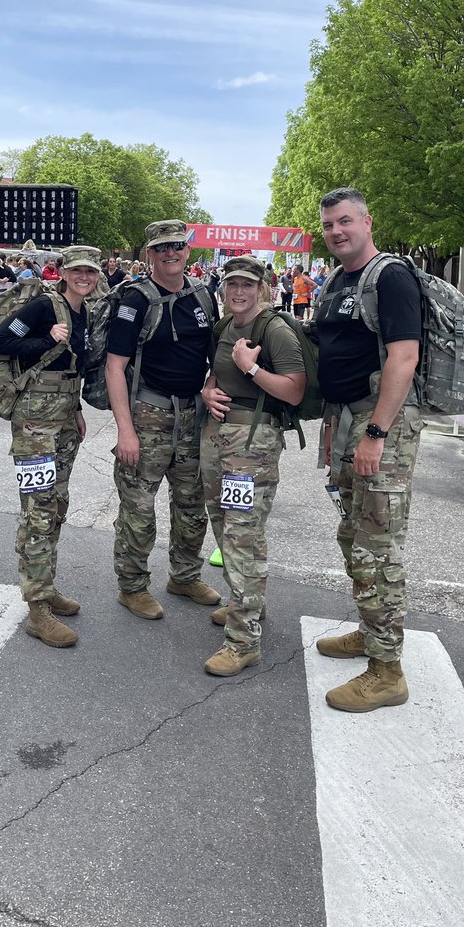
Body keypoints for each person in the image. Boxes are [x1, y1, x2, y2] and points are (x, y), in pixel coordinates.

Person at [312, 187, 422, 713]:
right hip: (347, 421)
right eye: (331, 224)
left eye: (346, 221)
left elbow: (404, 357)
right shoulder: (338, 280)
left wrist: (376, 434)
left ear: (367, 221)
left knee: (376, 548)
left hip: (381, 428)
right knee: (353, 536)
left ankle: (387, 671)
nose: (338, 231)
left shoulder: (390, 276)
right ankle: (369, 632)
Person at [0, 246, 103, 648]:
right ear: (63, 272)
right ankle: (36, 608)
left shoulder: (84, 311)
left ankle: (46, 586)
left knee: (57, 506)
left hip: (65, 416)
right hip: (34, 423)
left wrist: (77, 409)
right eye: (78, 271)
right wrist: (41, 339)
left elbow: (71, 368)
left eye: (91, 271)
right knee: (37, 509)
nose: (85, 277)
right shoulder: (41, 307)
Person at [105, 219, 220, 620]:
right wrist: (125, 430)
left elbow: (215, 356)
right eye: (161, 248)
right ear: (149, 255)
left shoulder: (204, 295)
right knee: (139, 507)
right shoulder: (135, 300)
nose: (171, 253)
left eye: (178, 246)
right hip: (148, 414)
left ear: (188, 251)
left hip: (193, 414)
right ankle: (132, 586)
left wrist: (210, 385)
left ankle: (184, 576)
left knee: (192, 505)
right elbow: (114, 367)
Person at [200, 257, 306, 676]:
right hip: (218, 436)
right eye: (232, 285)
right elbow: (215, 374)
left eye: (247, 285)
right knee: (223, 526)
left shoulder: (274, 330)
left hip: (253, 444)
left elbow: (294, 392)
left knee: (244, 534)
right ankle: (242, 605)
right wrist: (208, 392)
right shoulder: (225, 327)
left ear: (262, 288)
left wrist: (253, 368)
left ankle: (244, 641)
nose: (238, 292)